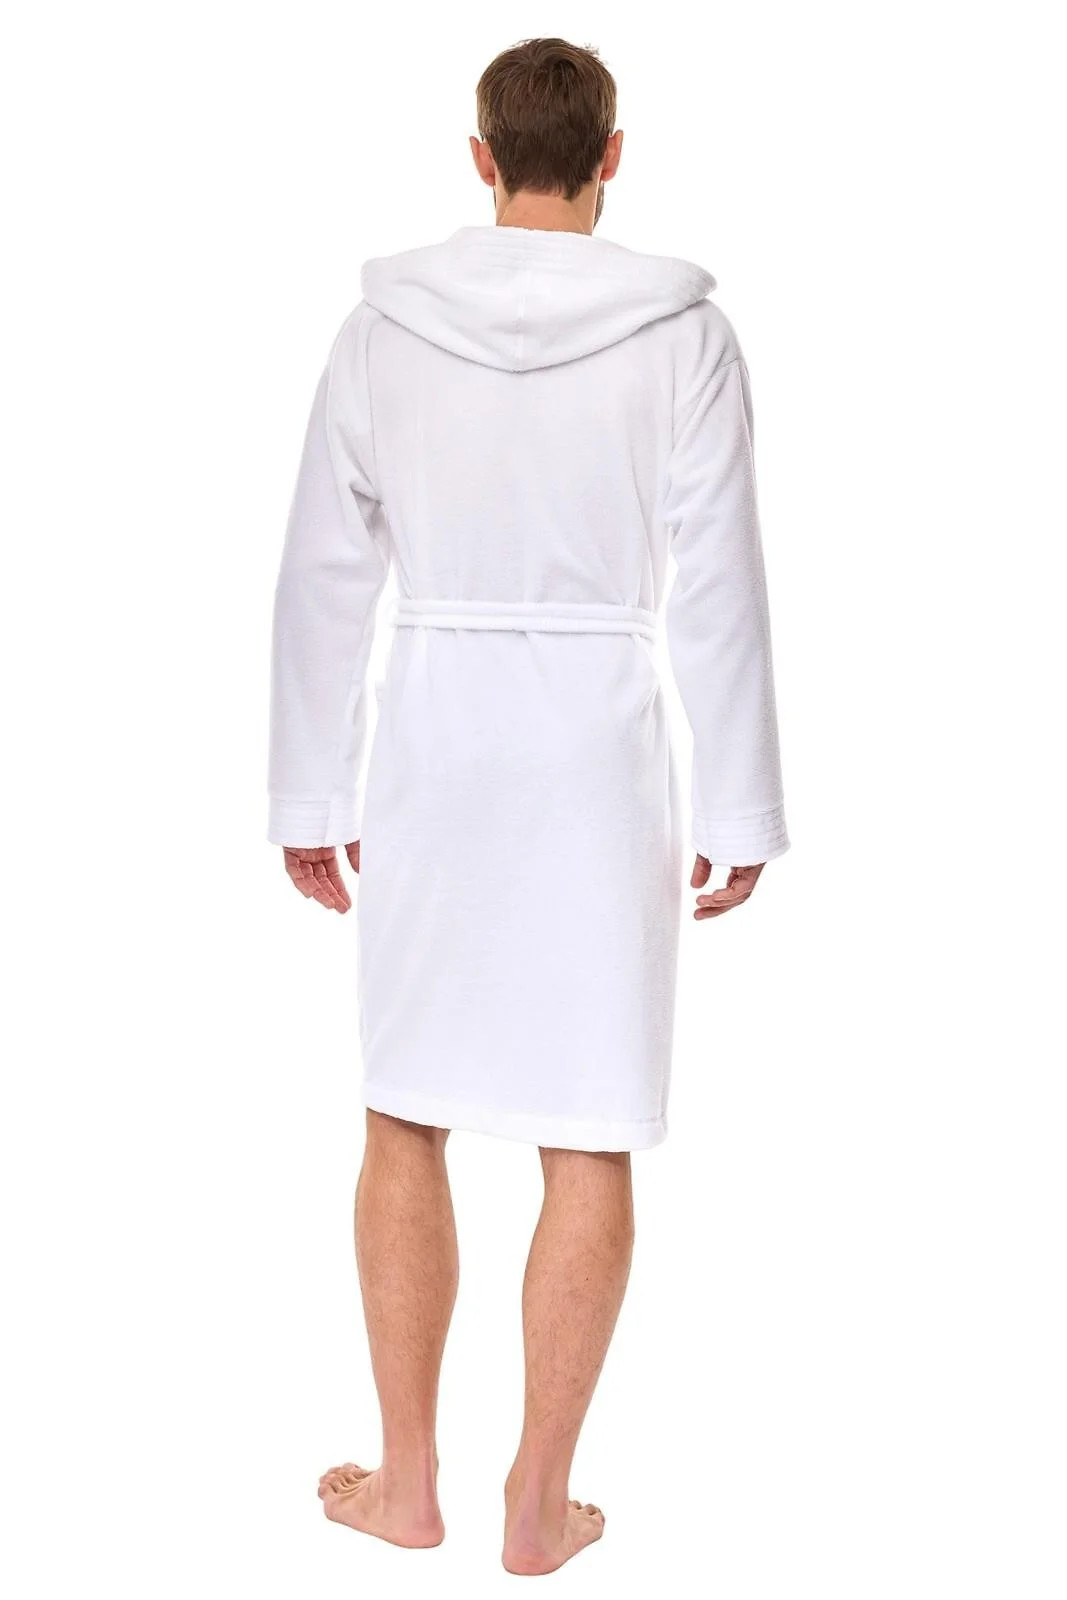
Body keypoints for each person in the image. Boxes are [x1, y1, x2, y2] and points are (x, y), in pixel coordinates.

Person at [267, 35, 790, 1577]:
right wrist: (740, 803)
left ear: (481, 157)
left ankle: (407, 1481)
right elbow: (723, 582)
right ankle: (537, 1503)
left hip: (434, 736)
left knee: (402, 1107)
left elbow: (322, 572)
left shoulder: (382, 331)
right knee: (589, 1123)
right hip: (596, 744)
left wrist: (308, 787)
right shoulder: (685, 339)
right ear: (612, 155)